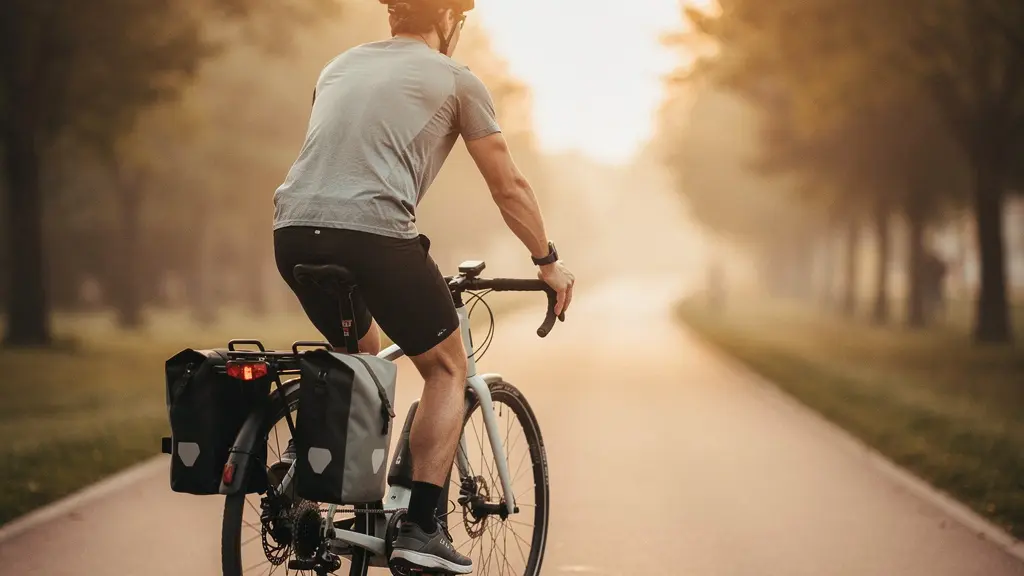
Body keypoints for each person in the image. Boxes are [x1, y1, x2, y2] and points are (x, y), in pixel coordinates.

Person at [271, 0, 575, 573]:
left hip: (292, 232)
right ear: (449, 20)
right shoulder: (458, 79)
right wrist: (546, 261)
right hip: (374, 237)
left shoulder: (338, 66)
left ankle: (301, 480)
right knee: (446, 369)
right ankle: (417, 529)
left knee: (358, 359)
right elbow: (508, 186)